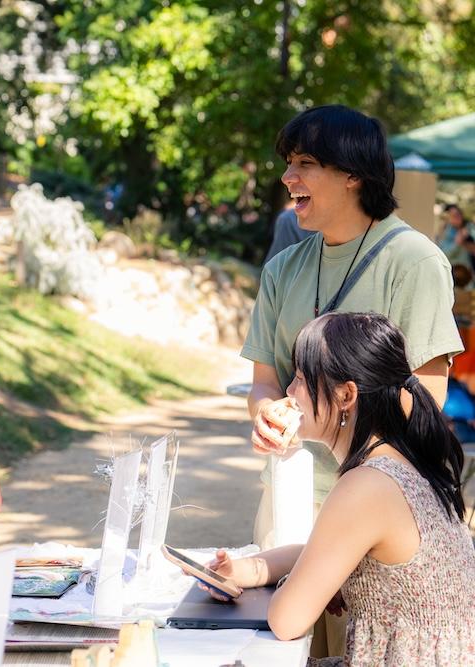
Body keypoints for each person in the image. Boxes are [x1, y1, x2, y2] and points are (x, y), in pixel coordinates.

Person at [241, 105, 463, 655]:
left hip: (375, 516)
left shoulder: (415, 262)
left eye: (304, 163)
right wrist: (268, 415)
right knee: (278, 648)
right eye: (288, 163)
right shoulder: (282, 269)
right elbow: (266, 383)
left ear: (353, 174)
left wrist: (357, 491)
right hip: (291, 498)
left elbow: (426, 400)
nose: (287, 178)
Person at [204, 312, 475, 666]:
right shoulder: (397, 463)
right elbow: (323, 552)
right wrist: (248, 570)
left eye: (301, 378)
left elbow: (287, 620)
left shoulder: (367, 485)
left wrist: (306, 587)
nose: (288, 391)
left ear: (346, 394)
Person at [436, 203, 475, 271]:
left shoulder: (470, 227)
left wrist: (463, 242)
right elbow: (443, 254)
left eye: (458, 214)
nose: (457, 217)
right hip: (453, 270)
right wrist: (457, 242)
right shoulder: (446, 232)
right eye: (453, 216)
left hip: (468, 271)